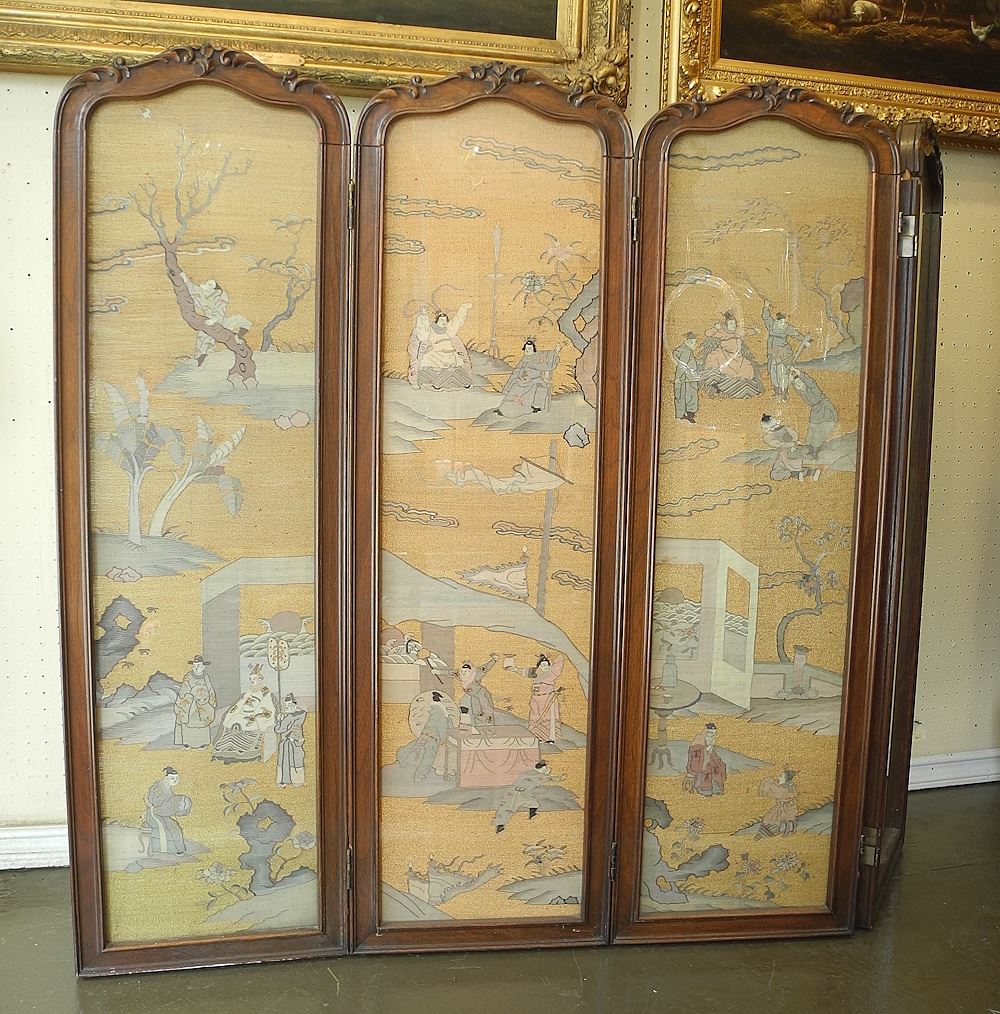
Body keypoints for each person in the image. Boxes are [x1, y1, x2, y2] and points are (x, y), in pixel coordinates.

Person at [212, 664, 278, 763]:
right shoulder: (249, 691)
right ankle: (226, 748)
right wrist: (243, 701)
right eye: (251, 679)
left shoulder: (265, 692)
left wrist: (256, 714)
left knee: (246, 724)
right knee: (232, 720)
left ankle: (244, 750)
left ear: (260, 679)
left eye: (254, 679)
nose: (252, 681)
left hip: (254, 715)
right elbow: (241, 703)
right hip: (243, 713)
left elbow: (267, 706)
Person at [396, 690, 459, 783]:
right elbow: (448, 730)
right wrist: (445, 738)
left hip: (426, 732)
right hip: (434, 737)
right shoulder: (446, 716)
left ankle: (401, 754)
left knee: (415, 745)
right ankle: (419, 776)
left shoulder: (433, 712)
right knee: (429, 757)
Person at [407, 303, 474, 390]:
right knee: (433, 365)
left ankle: (463, 382)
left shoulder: (449, 331)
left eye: (445, 321)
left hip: (450, 355)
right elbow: (422, 330)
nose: (443, 323)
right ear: (436, 321)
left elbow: (457, 320)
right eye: (441, 320)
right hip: (435, 355)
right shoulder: (430, 331)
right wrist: (423, 315)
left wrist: (463, 309)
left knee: (457, 366)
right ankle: (436, 382)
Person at [505, 653, 565, 744]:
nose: (545, 667)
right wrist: (515, 669)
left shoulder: (551, 673)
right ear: (539, 666)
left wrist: (551, 656)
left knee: (547, 717)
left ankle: (549, 738)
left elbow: (559, 662)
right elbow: (524, 672)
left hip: (547, 698)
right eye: (543, 665)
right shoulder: (536, 673)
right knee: (535, 717)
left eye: (547, 665)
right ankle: (537, 736)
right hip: (535, 700)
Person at [494, 339, 561, 418]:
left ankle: (534, 407)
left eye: (529, 349)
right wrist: (517, 379)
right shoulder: (524, 359)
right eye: (526, 349)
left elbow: (548, 361)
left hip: (534, 380)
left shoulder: (538, 358)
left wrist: (556, 352)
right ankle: (503, 409)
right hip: (523, 380)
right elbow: (518, 370)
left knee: (537, 388)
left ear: (533, 349)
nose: (527, 350)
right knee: (515, 387)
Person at [494, 761, 562, 833]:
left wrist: (545, 774)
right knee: (509, 808)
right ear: (543, 768)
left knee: (533, 803)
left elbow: (539, 778)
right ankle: (500, 825)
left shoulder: (530, 772)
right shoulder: (537, 774)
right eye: (545, 768)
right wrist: (561, 777)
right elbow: (551, 778)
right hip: (516, 793)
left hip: (523, 792)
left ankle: (532, 815)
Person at [762, 300, 810, 401]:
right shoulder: (772, 325)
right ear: (777, 321)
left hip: (783, 353)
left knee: (783, 373)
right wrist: (766, 306)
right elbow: (766, 317)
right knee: (773, 372)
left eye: (784, 322)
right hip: (773, 353)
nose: (783, 323)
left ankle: (784, 393)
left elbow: (796, 334)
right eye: (781, 322)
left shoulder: (787, 327)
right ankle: (777, 392)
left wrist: (805, 340)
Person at [141, 767, 192, 856]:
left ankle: (178, 849)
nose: (175, 780)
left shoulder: (167, 787)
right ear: (166, 778)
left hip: (162, 813)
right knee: (166, 827)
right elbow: (153, 802)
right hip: (154, 813)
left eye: (177, 778)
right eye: (172, 778)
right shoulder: (158, 787)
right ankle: (164, 849)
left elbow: (169, 804)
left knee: (175, 827)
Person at [789, 368, 838, 454]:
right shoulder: (802, 391)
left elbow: (811, 382)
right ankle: (809, 450)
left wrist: (800, 374)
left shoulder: (813, 388)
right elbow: (797, 388)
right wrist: (792, 381)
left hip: (825, 410)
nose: (798, 384)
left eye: (799, 382)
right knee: (810, 433)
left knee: (819, 434)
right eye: (797, 383)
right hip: (815, 411)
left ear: (803, 382)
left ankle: (815, 451)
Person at [174, 654, 217, 748]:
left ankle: (202, 743)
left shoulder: (206, 677)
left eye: (198, 666)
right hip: (191, 703)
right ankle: (187, 743)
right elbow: (184, 690)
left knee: (203, 722)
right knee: (189, 722)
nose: (196, 668)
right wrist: (191, 698)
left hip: (204, 703)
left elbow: (210, 689)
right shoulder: (188, 676)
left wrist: (211, 701)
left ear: (203, 667)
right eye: (194, 666)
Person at [760, 414, 815, 482]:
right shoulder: (785, 429)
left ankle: (796, 474)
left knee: (775, 474)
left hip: (786, 456)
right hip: (796, 453)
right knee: (795, 468)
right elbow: (794, 435)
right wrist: (794, 443)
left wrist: (791, 444)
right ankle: (811, 472)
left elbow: (777, 444)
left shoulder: (768, 437)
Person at [457, 654, 499, 729]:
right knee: (475, 712)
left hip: (482, 695)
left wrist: (494, 660)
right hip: (474, 697)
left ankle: (489, 728)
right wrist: (438, 671)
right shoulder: (460, 675)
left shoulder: (476, 673)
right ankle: (477, 728)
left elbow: (486, 667)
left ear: (470, 671)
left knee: (487, 712)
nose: (463, 673)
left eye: (466, 671)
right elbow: (450, 672)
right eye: (462, 671)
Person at [684, 723, 727, 796]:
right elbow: (695, 761)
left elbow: (714, 756)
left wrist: (719, 763)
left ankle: (716, 789)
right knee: (706, 774)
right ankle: (704, 789)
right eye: (710, 734)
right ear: (705, 734)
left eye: (714, 734)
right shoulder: (697, 745)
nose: (712, 736)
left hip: (710, 766)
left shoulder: (709, 745)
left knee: (717, 768)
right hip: (701, 769)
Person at [275, 693, 307, 788]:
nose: (287, 707)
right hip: (296, 740)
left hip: (290, 741)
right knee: (295, 760)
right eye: (286, 705)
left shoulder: (289, 717)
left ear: (294, 704)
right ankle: (297, 781)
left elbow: (279, 729)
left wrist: (279, 720)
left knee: (289, 761)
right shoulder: (302, 713)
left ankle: (288, 781)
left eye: (289, 704)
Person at [756, 769, 800, 837]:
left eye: (781, 777)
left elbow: (792, 795)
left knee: (776, 816)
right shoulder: (783, 786)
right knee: (773, 814)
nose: (779, 778)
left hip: (788, 808)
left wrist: (786, 799)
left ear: (786, 779)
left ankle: (775, 831)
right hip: (784, 807)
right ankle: (769, 830)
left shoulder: (789, 786)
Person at [672, 332, 700, 423]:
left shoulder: (686, 350)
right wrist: (678, 378)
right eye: (693, 342)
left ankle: (686, 414)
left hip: (689, 378)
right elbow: (682, 366)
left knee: (687, 396)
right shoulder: (686, 351)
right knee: (685, 396)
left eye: (695, 342)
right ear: (687, 341)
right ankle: (684, 415)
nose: (695, 344)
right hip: (686, 379)